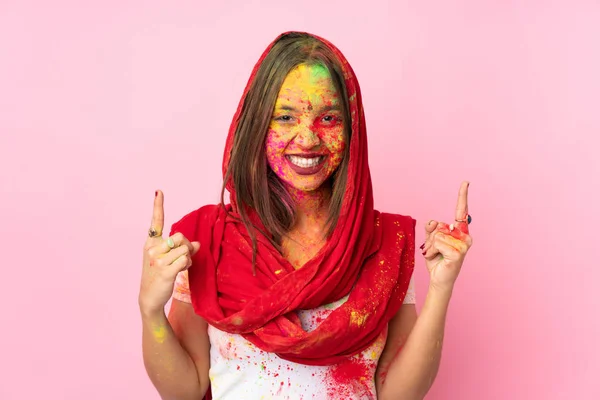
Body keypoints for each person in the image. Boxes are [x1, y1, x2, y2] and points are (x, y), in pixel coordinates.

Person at [139, 32, 472, 400]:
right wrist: (150, 309)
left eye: (328, 117)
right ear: (256, 125)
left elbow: (398, 395)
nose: (308, 138)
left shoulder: (383, 242)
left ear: (352, 128)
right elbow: (185, 391)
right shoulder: (207, 239)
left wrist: (441, 288)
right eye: (285, 116)